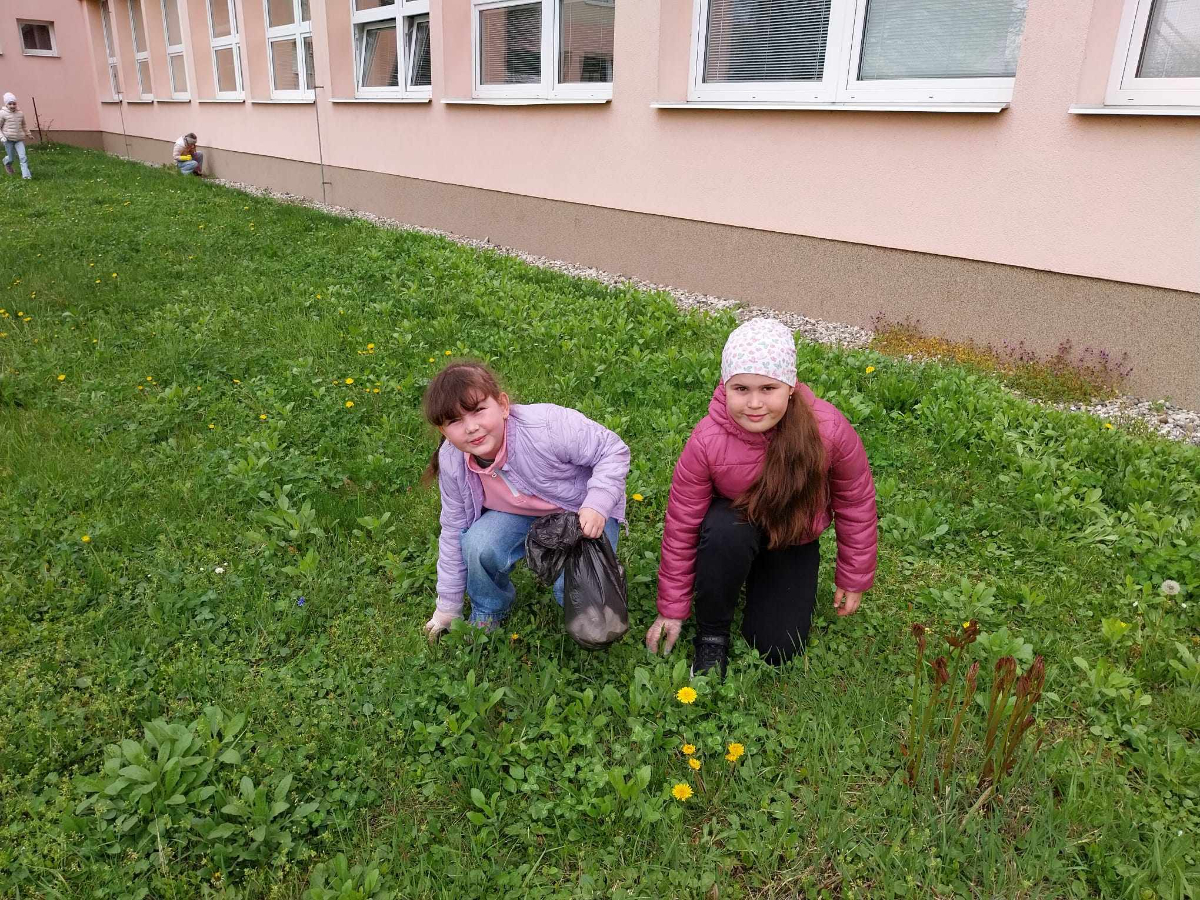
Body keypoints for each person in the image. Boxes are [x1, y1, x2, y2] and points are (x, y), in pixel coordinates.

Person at [645, 317, 878, 676]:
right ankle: (712, 636)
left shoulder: (829, 430)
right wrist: (671, 609)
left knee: (777, 649)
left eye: (768, 388)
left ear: (790, 386)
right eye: (741, 389)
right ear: (725, 387)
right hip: (735, 527)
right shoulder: (706, 441)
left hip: (792, 537)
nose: (754, 403)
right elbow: (682, 525)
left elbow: (855, 503)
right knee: (724, 531)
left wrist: (853, 577)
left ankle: (761, 577)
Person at [422, 361, 631, 636]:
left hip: (581, 512)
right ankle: (489, 607)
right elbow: (453, 529)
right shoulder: (452, 460)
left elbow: (612, 450)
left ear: (503, 405)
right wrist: (448, 607)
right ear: (443, 431)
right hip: (517, 514)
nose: (471, 427)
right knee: (477, 544)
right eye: (455, 421)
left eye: (478, 410)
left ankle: (605, 576)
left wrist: (597, 505)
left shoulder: (546, 427)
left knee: (590, 614)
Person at [1, 93, 33, 180]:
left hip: (19, 139)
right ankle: (7, 162)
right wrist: (2, 137)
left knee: (23, 157)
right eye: (10, 104)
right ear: (6, 104)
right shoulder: (2, 113)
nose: (12, 106)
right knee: (11, 158)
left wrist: (28, 134)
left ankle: (26, 175)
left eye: (14, 103)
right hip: (8, 139)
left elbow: (24, 125)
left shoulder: (20, 113)